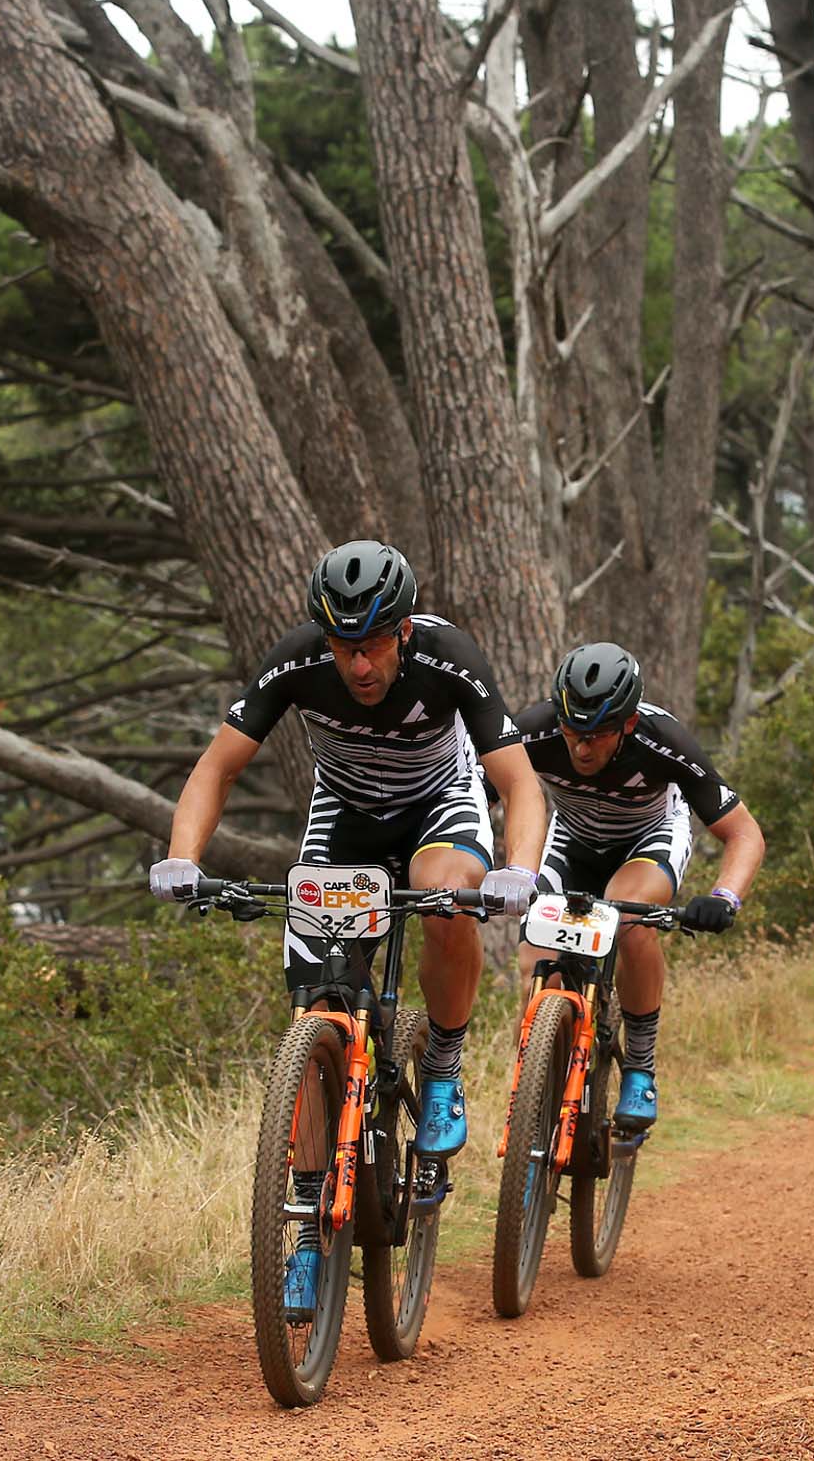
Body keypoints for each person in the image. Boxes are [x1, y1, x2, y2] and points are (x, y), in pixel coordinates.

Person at [149, 541, 545, 1317]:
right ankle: (303, 1224)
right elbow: (217, 766)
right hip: (346, 819)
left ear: (401, 631)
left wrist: (520, 869)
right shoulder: (298, 661)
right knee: (315, 1000)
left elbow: (517, 781)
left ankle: (442, 1063)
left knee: (440, 893)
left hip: (440, 805)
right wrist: (180, 857)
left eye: (370, 645)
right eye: (342, 647)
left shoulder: (449, 657)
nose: (357, 665)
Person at [511, 641, 764, 1132]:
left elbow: (744, 833)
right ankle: (536, 1099)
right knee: (533, 962)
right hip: (574, 839)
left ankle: (640, 1067)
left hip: (648, 838)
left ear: (627, 725)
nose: (581, 748)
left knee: (625, 919)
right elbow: (486, 790)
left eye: (598, 735)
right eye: (572, 731)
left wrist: (724, 897)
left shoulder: (662, 740)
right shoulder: (536, 729)